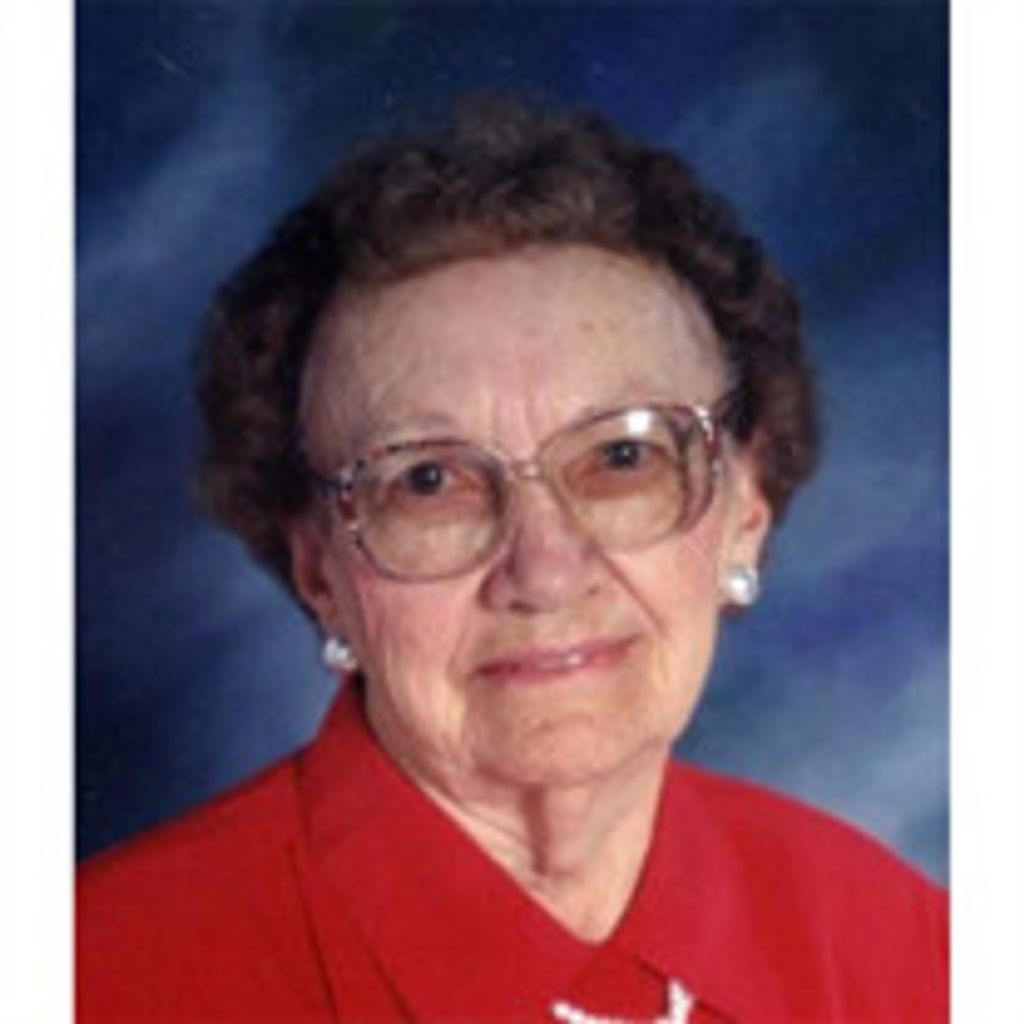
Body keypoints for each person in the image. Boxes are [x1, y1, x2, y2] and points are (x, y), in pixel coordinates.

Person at [77, 96, 948, 1023]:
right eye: (427, 481)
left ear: (745, 512)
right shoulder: (98, 975)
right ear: (319, 572)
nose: (545, 572)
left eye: (623, 457)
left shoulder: (901, 949)